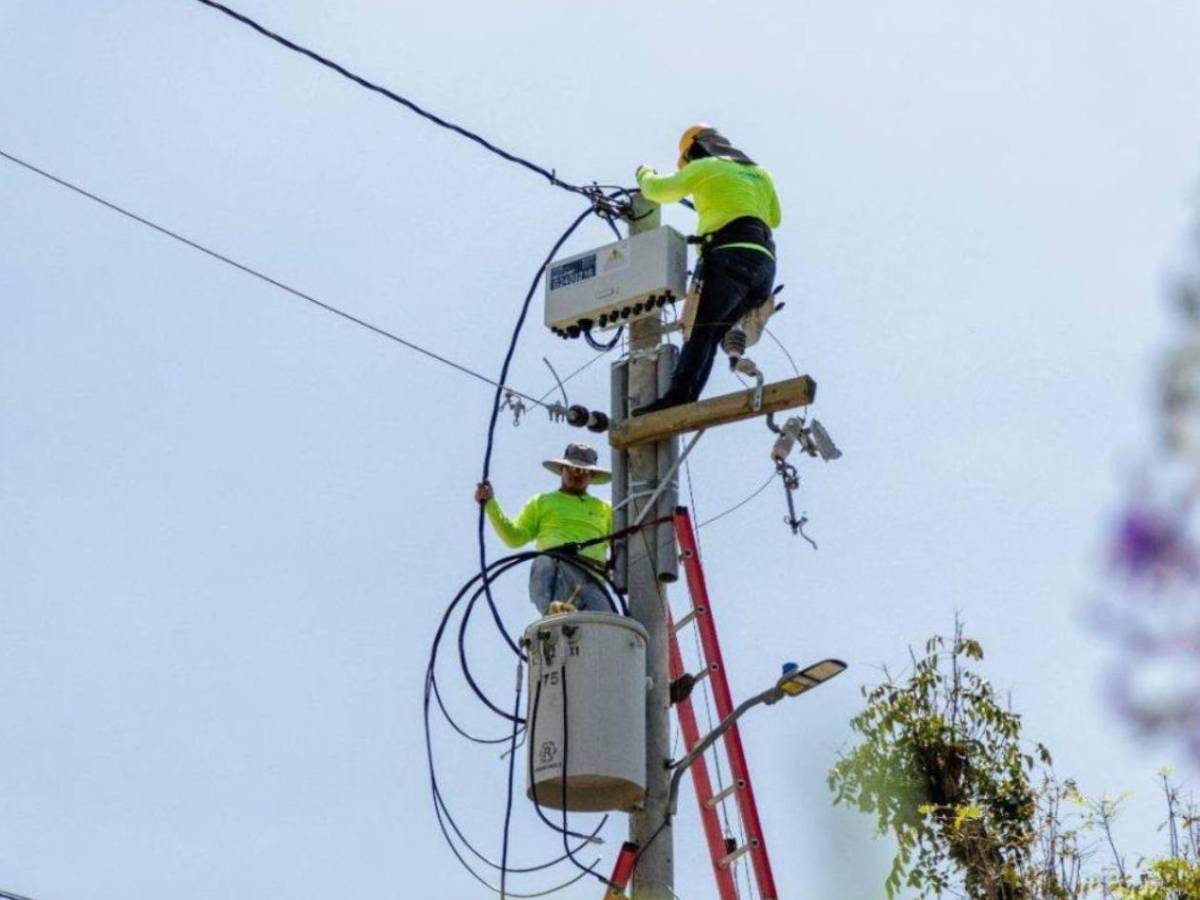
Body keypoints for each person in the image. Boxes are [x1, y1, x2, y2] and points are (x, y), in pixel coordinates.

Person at [632, 125, 782, 416]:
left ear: (694, 150)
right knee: (711, 333)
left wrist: (643, 172)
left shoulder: (705, 166)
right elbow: (774, 218)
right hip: (764, 266)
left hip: (728, 257)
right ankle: (685, 398)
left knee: (699, 330)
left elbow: (657, 191)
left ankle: (678, 399)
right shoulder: (762, 173)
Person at [474, 443, 614, 615]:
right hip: (557, 568)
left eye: (583, 470)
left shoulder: (605, 509)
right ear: (562, 468)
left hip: (592, 578)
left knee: (607, 625)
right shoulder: (542, 502)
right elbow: (515, 537)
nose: (577, 474)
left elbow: (622, 545)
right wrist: (490, 504)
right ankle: (553, 614)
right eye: (572, 468)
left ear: (591, 475)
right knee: (544, 563)